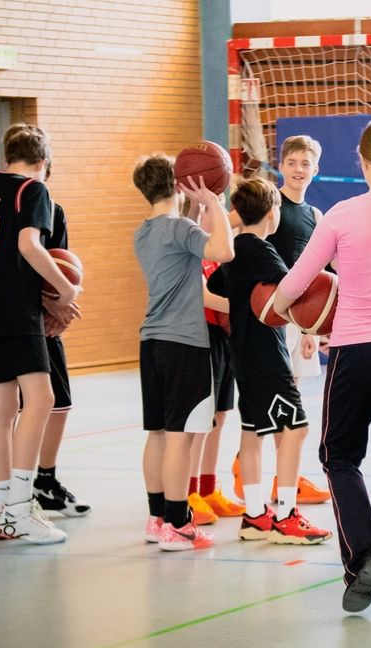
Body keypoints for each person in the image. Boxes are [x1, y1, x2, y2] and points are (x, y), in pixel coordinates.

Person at [269, 119, 371, 613]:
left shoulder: (342, 215)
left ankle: (365, 554)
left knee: (339, 457)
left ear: (361, 161)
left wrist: (277, 313)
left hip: (357, 352)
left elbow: (296, 284)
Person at [0, 124, 83, 544]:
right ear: (42, 163)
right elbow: (30, 245)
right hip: (16, 312)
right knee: (42, 399)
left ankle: (4, 510)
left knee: (2, 407)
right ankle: (19, 508)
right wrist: (66, 289)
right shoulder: (32, 190)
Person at [206, 178, 331, 545]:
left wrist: (246, 309)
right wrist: (315, 325)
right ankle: (288, 516)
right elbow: (294, 293)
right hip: (267, 357)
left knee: (253, 432)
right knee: (296, 428)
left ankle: (256, 516)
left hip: (242, 354)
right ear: (273, 213)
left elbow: (214, 294)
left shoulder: (232, 252)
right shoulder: (262, 250)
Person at [132, 155, 234, 551]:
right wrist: (215, 203)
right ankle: (179, 523)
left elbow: (183, 236)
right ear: (178, 185)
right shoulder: (180, 228)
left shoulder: (145, 231)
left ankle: (157, 518)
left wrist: (194, 207)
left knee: (158, 434)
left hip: (151, 342)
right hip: (184, 343)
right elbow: (222, 250)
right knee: (182, 437)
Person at [230, 135, 331, 506]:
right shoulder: (266, 204)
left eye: (306, 164)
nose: (299, 169)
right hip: (265, 311)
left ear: (315, 170)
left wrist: (311, 327)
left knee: (290, 395)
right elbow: (225, 235)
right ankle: (257, 471)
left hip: (296, 313)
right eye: (292, 163)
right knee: (275, 402)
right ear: (281, 166)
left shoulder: (316, 216)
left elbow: (318, 273)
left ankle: (285, 477)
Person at [185, 255, 245, 525]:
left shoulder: (218, 255)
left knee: (220, 415)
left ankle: (208, 491)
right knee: (202, 421)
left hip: (223, 336)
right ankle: (189, 494)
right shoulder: (190, 251)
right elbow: (205, 297)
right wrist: (244, 306)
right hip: (201, 335)